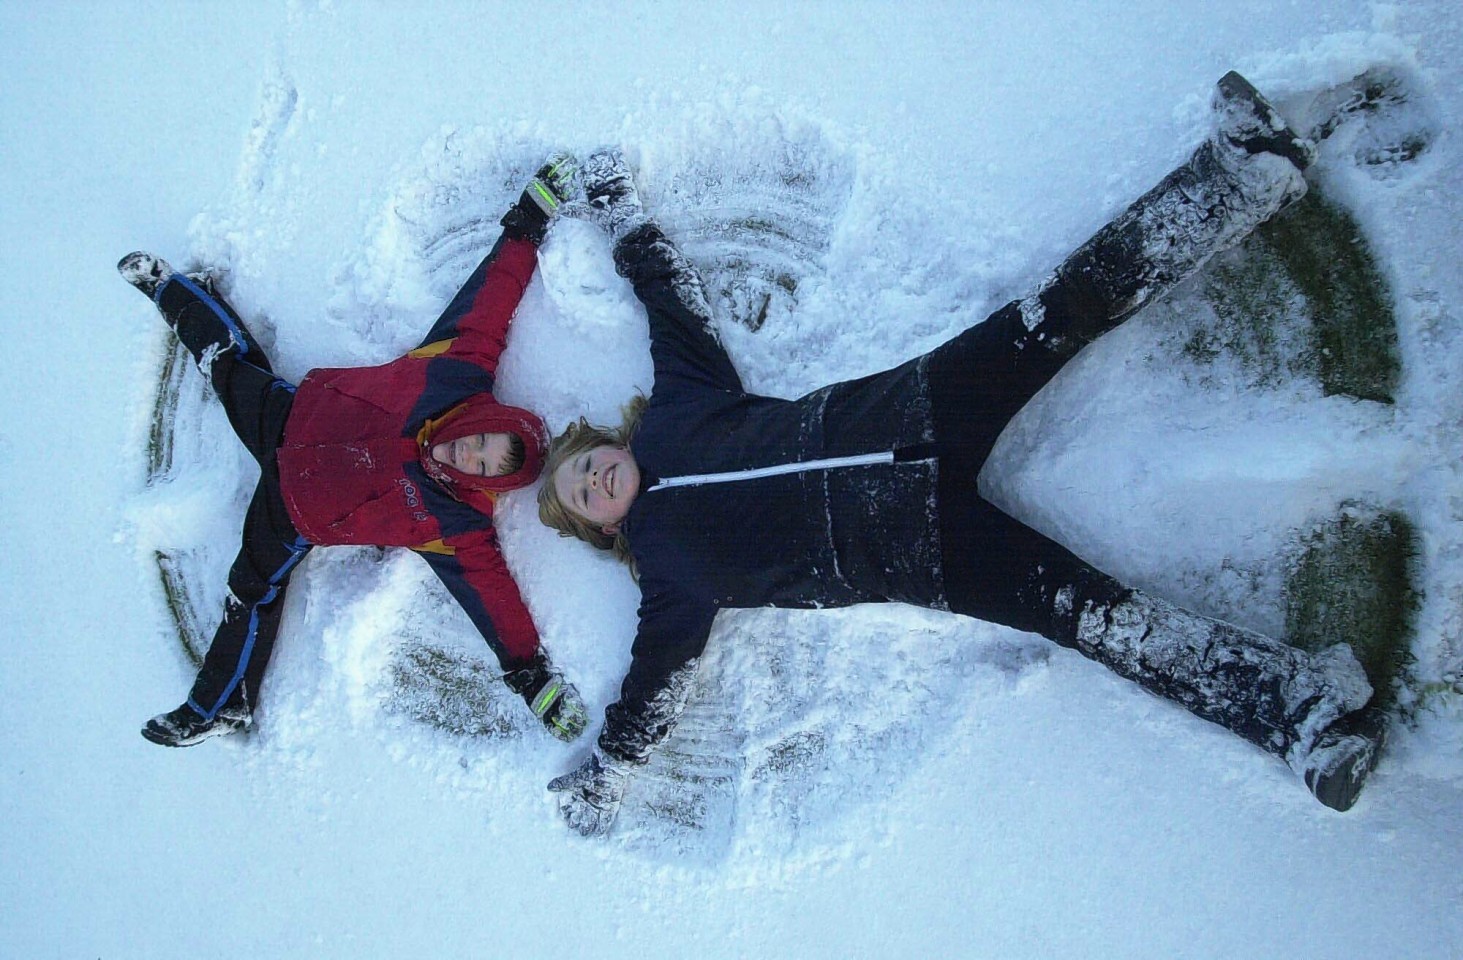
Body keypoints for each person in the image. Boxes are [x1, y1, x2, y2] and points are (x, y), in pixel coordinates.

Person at [537, 75, 1388, 836]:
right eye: (584, 501)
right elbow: (651, 693)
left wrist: (616, 210)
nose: (593, 482)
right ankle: (1298, 714)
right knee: (1094, 619)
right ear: (601, 529)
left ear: (602, 442)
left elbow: (669, 305)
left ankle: (1235, 181)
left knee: (1059, 307)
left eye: (582, 466)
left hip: (911, 407)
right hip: (917, 551)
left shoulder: (679, 413)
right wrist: (612, 772)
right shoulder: (669, 578)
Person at [121, 154, 588, 748]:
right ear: (484, 419)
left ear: (487, 485)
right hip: (285, 417)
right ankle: (174, 291)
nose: (474, 455)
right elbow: (490, 300)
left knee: (249, 591)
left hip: (292, 515)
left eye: (487, 469)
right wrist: (529, 221)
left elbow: (496, 604)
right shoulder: (453, 371)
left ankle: (219, 704)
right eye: (486, 442)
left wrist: (531, 677)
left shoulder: (458, 525)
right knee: (227, 365)